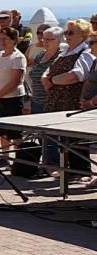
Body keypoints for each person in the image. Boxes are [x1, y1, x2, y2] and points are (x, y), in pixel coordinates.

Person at [41, 19, 95, 180]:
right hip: (57, 101)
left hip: (72, 101)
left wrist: (52, 80)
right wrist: (47, 78)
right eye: (66, 32)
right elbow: (48, 70)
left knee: (76, 138)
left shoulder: (85, 53)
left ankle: (81, 171)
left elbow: (76, 75)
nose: (67, 36)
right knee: (63, 139)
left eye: (71, 32)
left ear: (82, 35)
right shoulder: (65, 52)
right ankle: (68, 169)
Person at [0, 26, 27, 161]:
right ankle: (5, 155)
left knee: (14, 132)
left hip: (12, 98)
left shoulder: (18, 57)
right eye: (0, 38)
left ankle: (20, 158)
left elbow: (16, 80)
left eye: (5, 39)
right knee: (2, 131)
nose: (2, 41)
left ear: (14, 40)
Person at [29, 27, 62, 114]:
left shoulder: (61, 57)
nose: (45, 42)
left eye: (49, 39)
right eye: (44, 39)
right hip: (36, 102)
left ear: (59, 41)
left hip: (52, 103)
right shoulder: (39, 56)